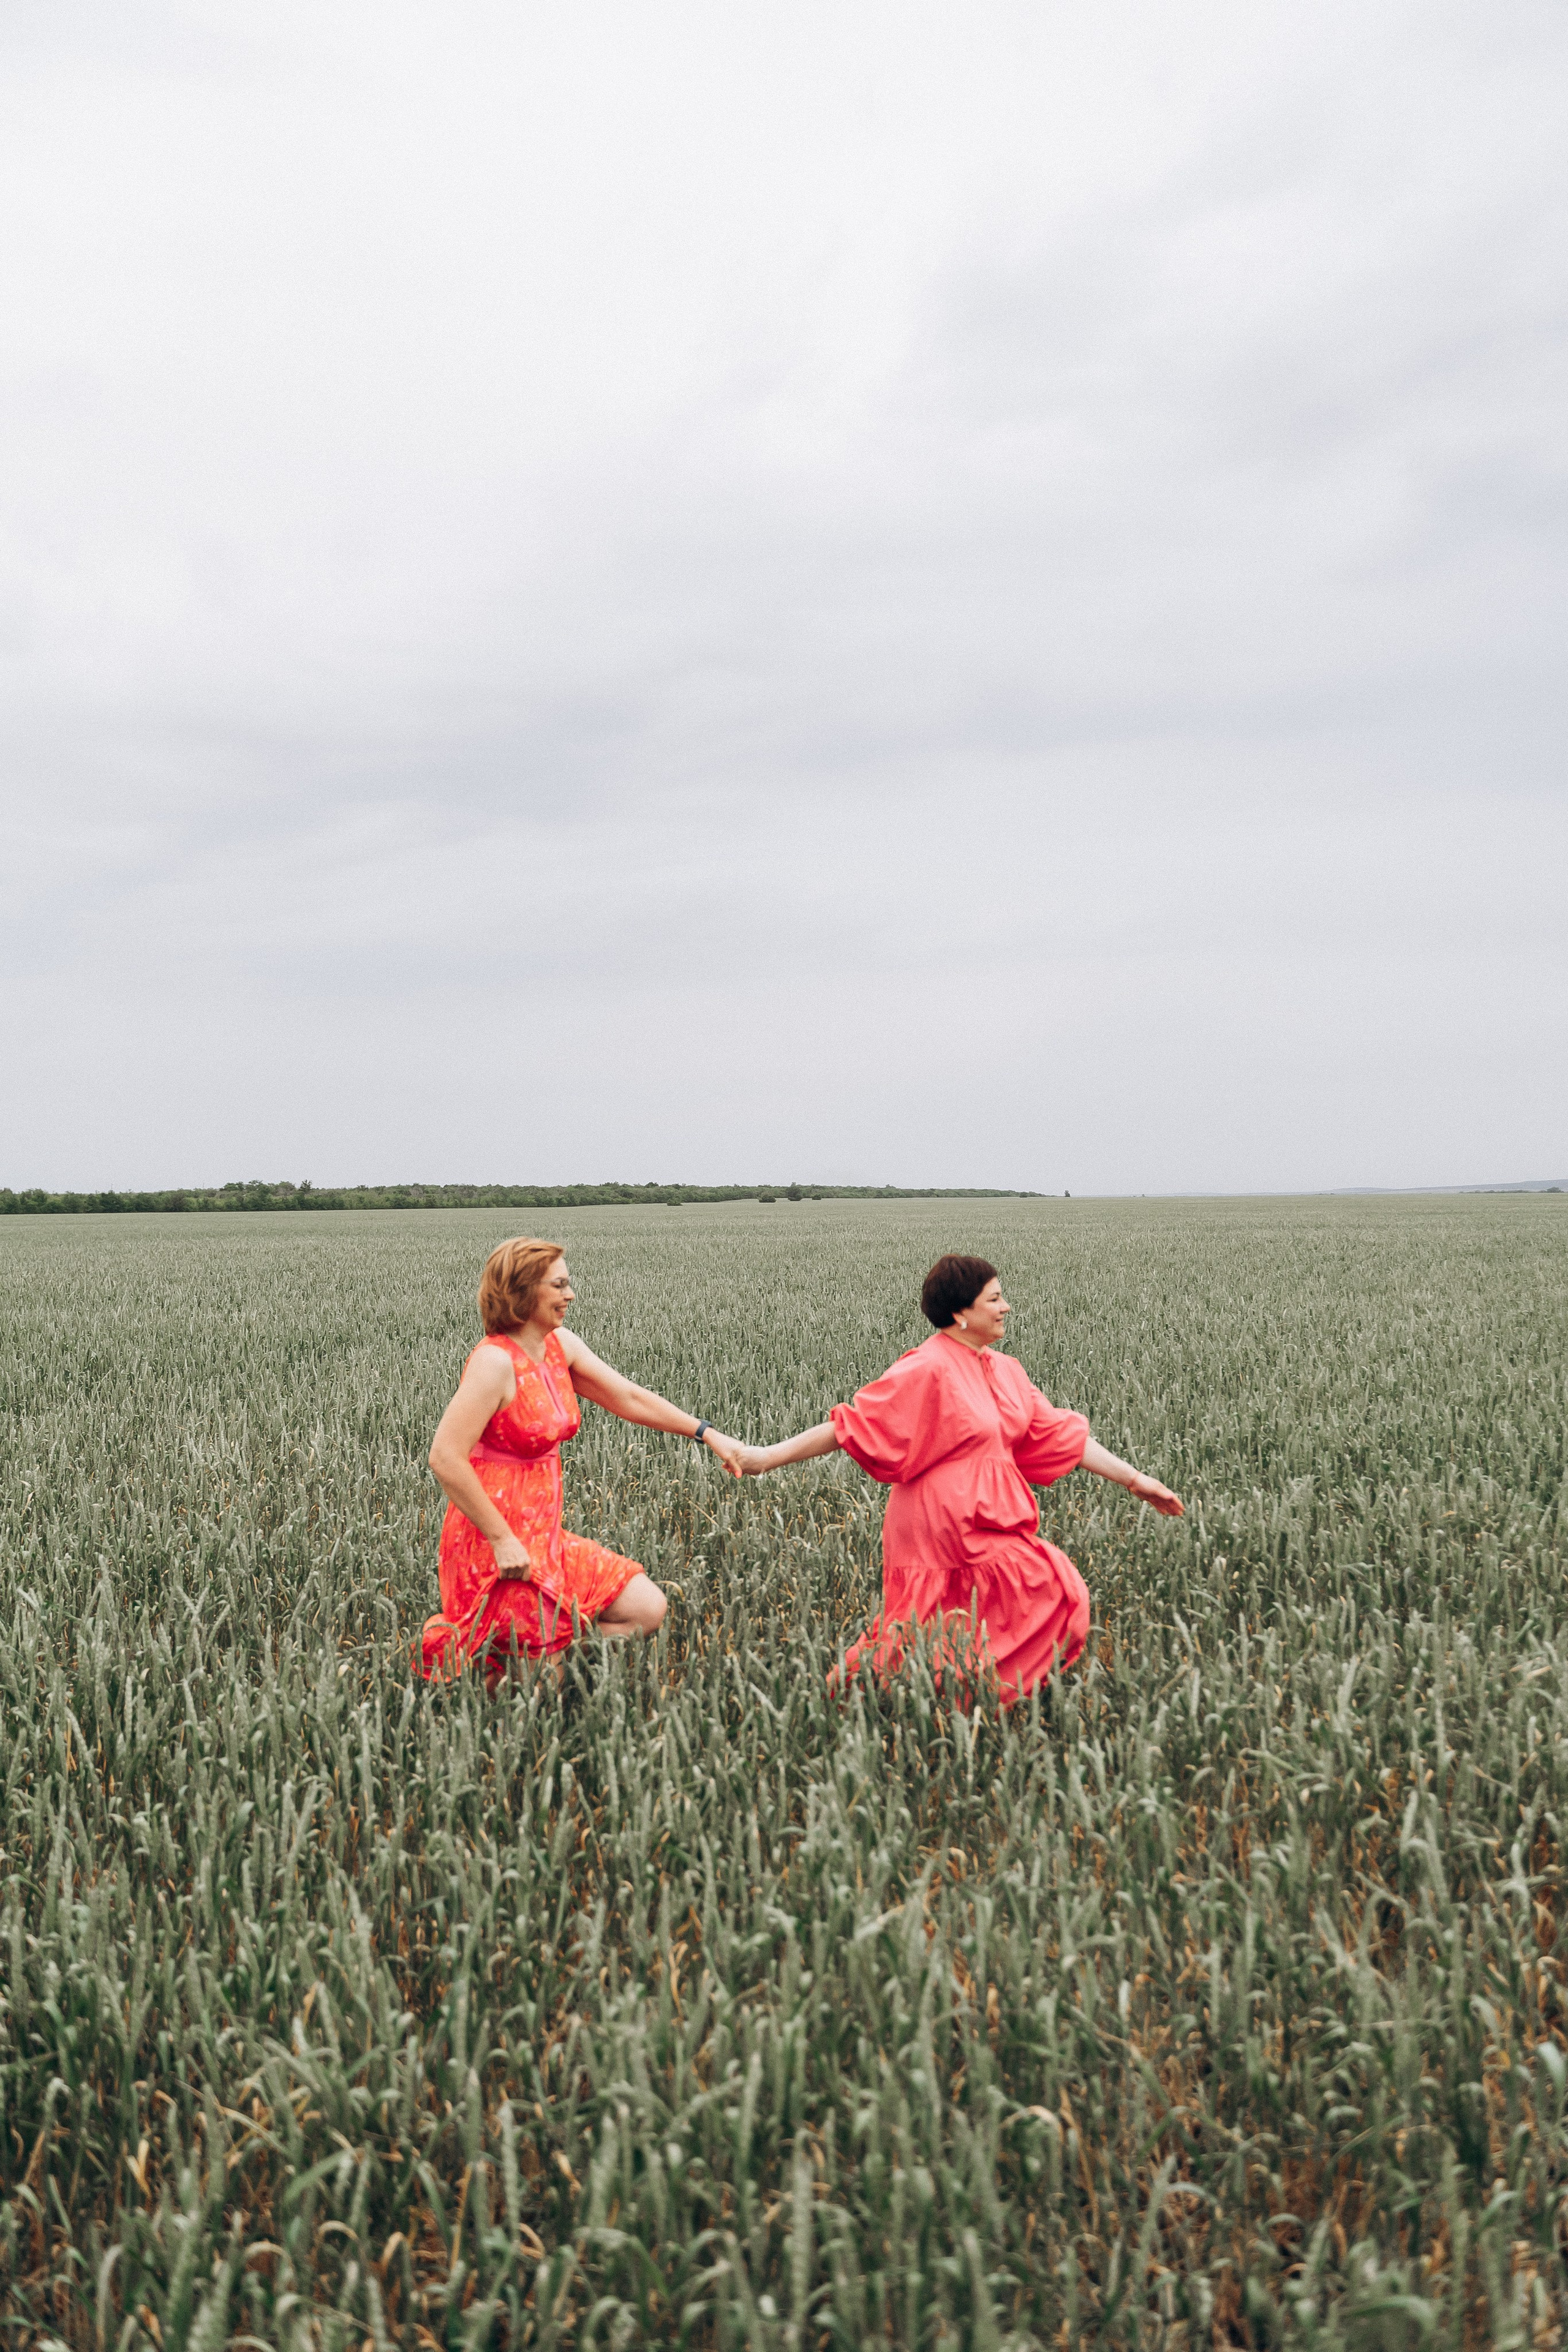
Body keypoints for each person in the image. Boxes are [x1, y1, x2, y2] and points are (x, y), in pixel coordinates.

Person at [736, 1253, 1182, 1705]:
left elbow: (1057, 1434)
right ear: (960, 1313)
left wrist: (1135, 1480)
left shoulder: (1006, 1371)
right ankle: (858, 1698)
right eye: (994, 1298)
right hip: (938, 1525)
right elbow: (852, 1425)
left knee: (1040, 1593)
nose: (1006, 1306)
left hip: (989, 1515)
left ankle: (959, 1698)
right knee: (956, 1612)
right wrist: (765, 1458)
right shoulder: (927, 1366)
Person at [421, 1237, 742, 1684]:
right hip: (496, 1539)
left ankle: (518, 1659)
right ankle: (506, 1663)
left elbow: (628, 1396)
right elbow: (445, 1457)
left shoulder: (559, 1346)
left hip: (544, 1535)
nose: (571, 1295)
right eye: (559, 1285)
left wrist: (707, 1433)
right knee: (536, 1699)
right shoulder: (495, 1363)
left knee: (647, 1610)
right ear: (523, 1290)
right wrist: (501, 1539)